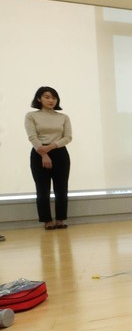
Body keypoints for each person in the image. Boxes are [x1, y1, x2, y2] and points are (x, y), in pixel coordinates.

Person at [25, 86, 72, 230]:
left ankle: (60, 219)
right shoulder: (31, 116)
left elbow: (68, 137)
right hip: (39, 153)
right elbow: (32, 137)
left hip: (60, 152)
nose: (51, 100)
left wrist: (51, 147)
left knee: (61, 188)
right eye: (47, 97)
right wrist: (44, 154)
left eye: (53, 97)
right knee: (43, 189)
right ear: (39, 99)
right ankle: (47, 221)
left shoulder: (63, 117)